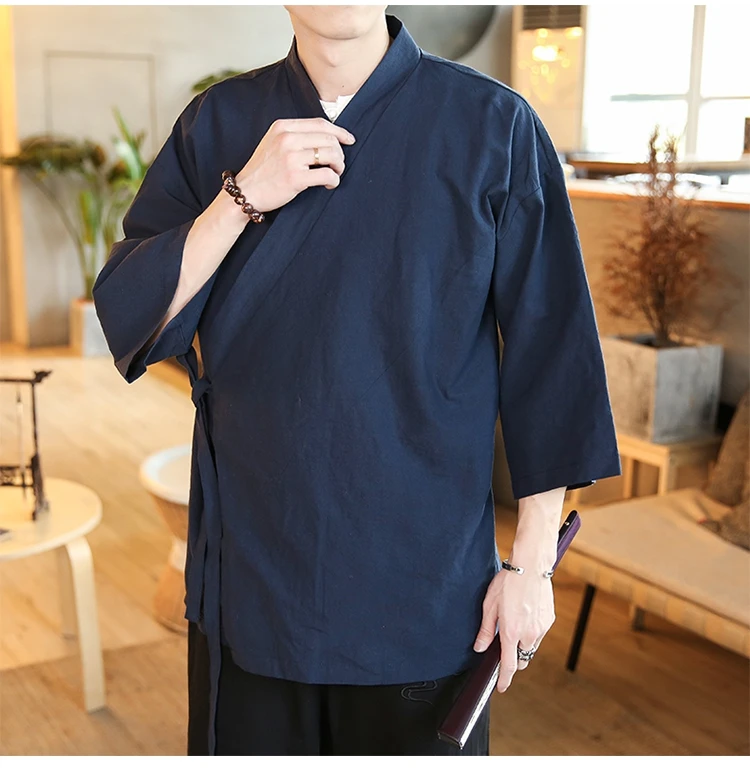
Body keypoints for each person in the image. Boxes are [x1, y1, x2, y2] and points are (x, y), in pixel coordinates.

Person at [93, 6, 621, 756]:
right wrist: (243, 196)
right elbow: (134, 310)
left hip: (424, 584)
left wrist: (532, 566)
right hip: (254, 575)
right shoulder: (217, 124)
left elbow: (554, 352)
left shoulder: (493, 126)